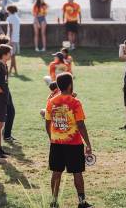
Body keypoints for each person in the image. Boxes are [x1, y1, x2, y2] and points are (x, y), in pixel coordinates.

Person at [45, 72, 93, 208]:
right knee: (77, 173)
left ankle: (54, 201)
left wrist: (52, 138)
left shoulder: (51, 101)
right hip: (74, 144)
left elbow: (47, 123)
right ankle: (82, 202)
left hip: (56, 143)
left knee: (56, 172)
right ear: (70, 85)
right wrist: (88, 144)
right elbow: (81, 124)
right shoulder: (75, 102)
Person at [6, 4, 21, 76]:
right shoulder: (17, 18)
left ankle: (10, 71)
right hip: (16, 38)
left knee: (12, 56)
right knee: (13, 55)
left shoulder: (10, 18)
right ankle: (14, 70)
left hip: (12, 39)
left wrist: (9, 39)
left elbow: (11, 29)